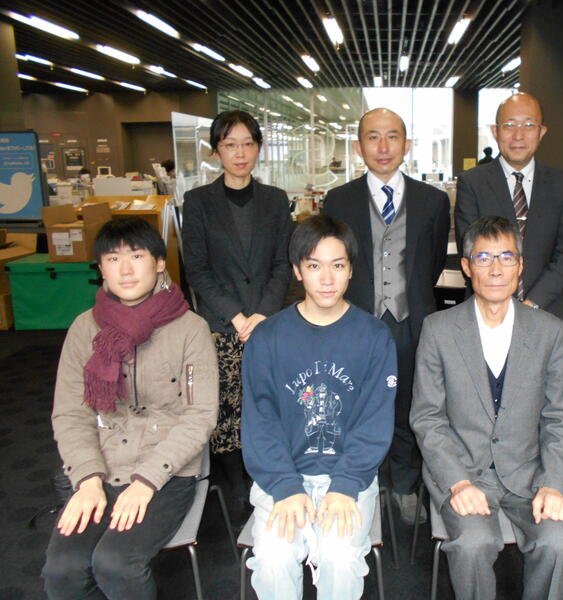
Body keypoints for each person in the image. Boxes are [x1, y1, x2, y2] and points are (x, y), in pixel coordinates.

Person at [42, 217, 218, 599]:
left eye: (136, 256)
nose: (124, 269)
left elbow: (200, 416)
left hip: (166, 472)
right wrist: (87, 478)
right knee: (63, 569)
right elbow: (71, 413)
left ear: (158, 262)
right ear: (100, 267)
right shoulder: (83, 328)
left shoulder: (191, 328)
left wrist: (147, 481)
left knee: (115, 562)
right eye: (112, 258)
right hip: (101, 465)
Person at [411, 216, 563, 600]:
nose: (495, 268)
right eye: (483, 257)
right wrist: (458, 481)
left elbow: (561, 417)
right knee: (473, 544)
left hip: (531, 472)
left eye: (506, 257)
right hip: (465, 471)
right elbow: (427, 418)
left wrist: (554, 482)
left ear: (520, 266)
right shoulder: (438, 329)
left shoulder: (550, 331)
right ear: (467, 267)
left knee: (560, 544)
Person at [241, 215, 396, 600]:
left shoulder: (375, 337)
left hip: (348, 478)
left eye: (337, 265)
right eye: (314, 266)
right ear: (297, 270)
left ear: (350, 271)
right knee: (274, 561)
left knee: (340, 558)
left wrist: (345, 486)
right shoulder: (267, 338)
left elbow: (375, 422)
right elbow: (260, 422)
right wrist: (284, 485)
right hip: (282, 475)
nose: (326, 278)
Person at [324, 107, 450, 524]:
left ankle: (405, 482)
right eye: (373, 137)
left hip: (412, 321)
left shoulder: (433, 201)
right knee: (359, 404)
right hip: (356, 322)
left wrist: (404, 298)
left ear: (406, 145)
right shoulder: (337, 200)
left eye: (392, 136)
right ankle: (368, 480)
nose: (383, 146)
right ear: (359, 147)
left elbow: (430, 264)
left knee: (412, 403)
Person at [182, 109, 292, 510]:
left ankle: (269, 478)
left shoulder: (277, 201)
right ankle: (234, 494)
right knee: (225, 413)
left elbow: (283, 263)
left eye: (248, 143)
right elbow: (197, 268)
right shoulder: (197, 203)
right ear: (216, 151)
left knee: (269, 405)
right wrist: (237, 316)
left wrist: (262, 313)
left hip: (268, 323)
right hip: (220, 326)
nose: (240, 153)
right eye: (230, 145)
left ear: (259, 148)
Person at [455, 92, 563, 327]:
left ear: (542, 131)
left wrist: (531, 304)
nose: (518, 135)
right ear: (495, 131)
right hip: (486, 313)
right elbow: (471, 252)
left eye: (529, 125)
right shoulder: (472, 183)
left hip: (547, 311)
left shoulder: (562, 184)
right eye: (509, 125)